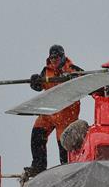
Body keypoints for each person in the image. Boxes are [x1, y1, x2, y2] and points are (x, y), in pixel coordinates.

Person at [25, 45, 83, 176]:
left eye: (56, 58)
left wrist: (76, 80)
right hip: (48, 114)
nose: (53, 61)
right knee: (37, 135)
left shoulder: (74, 70)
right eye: (51, 58)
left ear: (62, 57)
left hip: (66, 117)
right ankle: (38, 166)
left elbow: (89, 84)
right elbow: (39, 86)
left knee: (64, 147)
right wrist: (35, 82)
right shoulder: (46, 72)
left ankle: (66, 172)